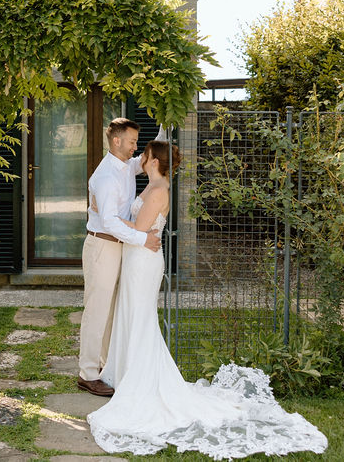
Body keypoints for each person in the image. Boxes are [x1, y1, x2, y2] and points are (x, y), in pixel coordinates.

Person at [88, 140, 329, 458]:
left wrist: (107, 220)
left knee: (141, 319)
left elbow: (142, 229)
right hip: (137, 259)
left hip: (143, 264)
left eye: (145, 155)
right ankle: (124, 372)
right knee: (131, 315)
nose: (140, 158)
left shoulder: (158, 190)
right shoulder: (153, 184)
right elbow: (139, 230)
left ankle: (140, 380)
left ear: (155, 162)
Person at [78, 118, 162, 397]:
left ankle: (105, 366)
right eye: (131, 142)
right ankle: (88, 374)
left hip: (120, 246)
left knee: (112, 309)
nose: (135, 148)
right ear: (116, 141)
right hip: (103, 246)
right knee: (97, 310)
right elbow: (111, 222)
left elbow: (146, 159)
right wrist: (144, 240)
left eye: (136, 143)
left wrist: (166, 127)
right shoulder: (105, 177)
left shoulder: (126, 164)